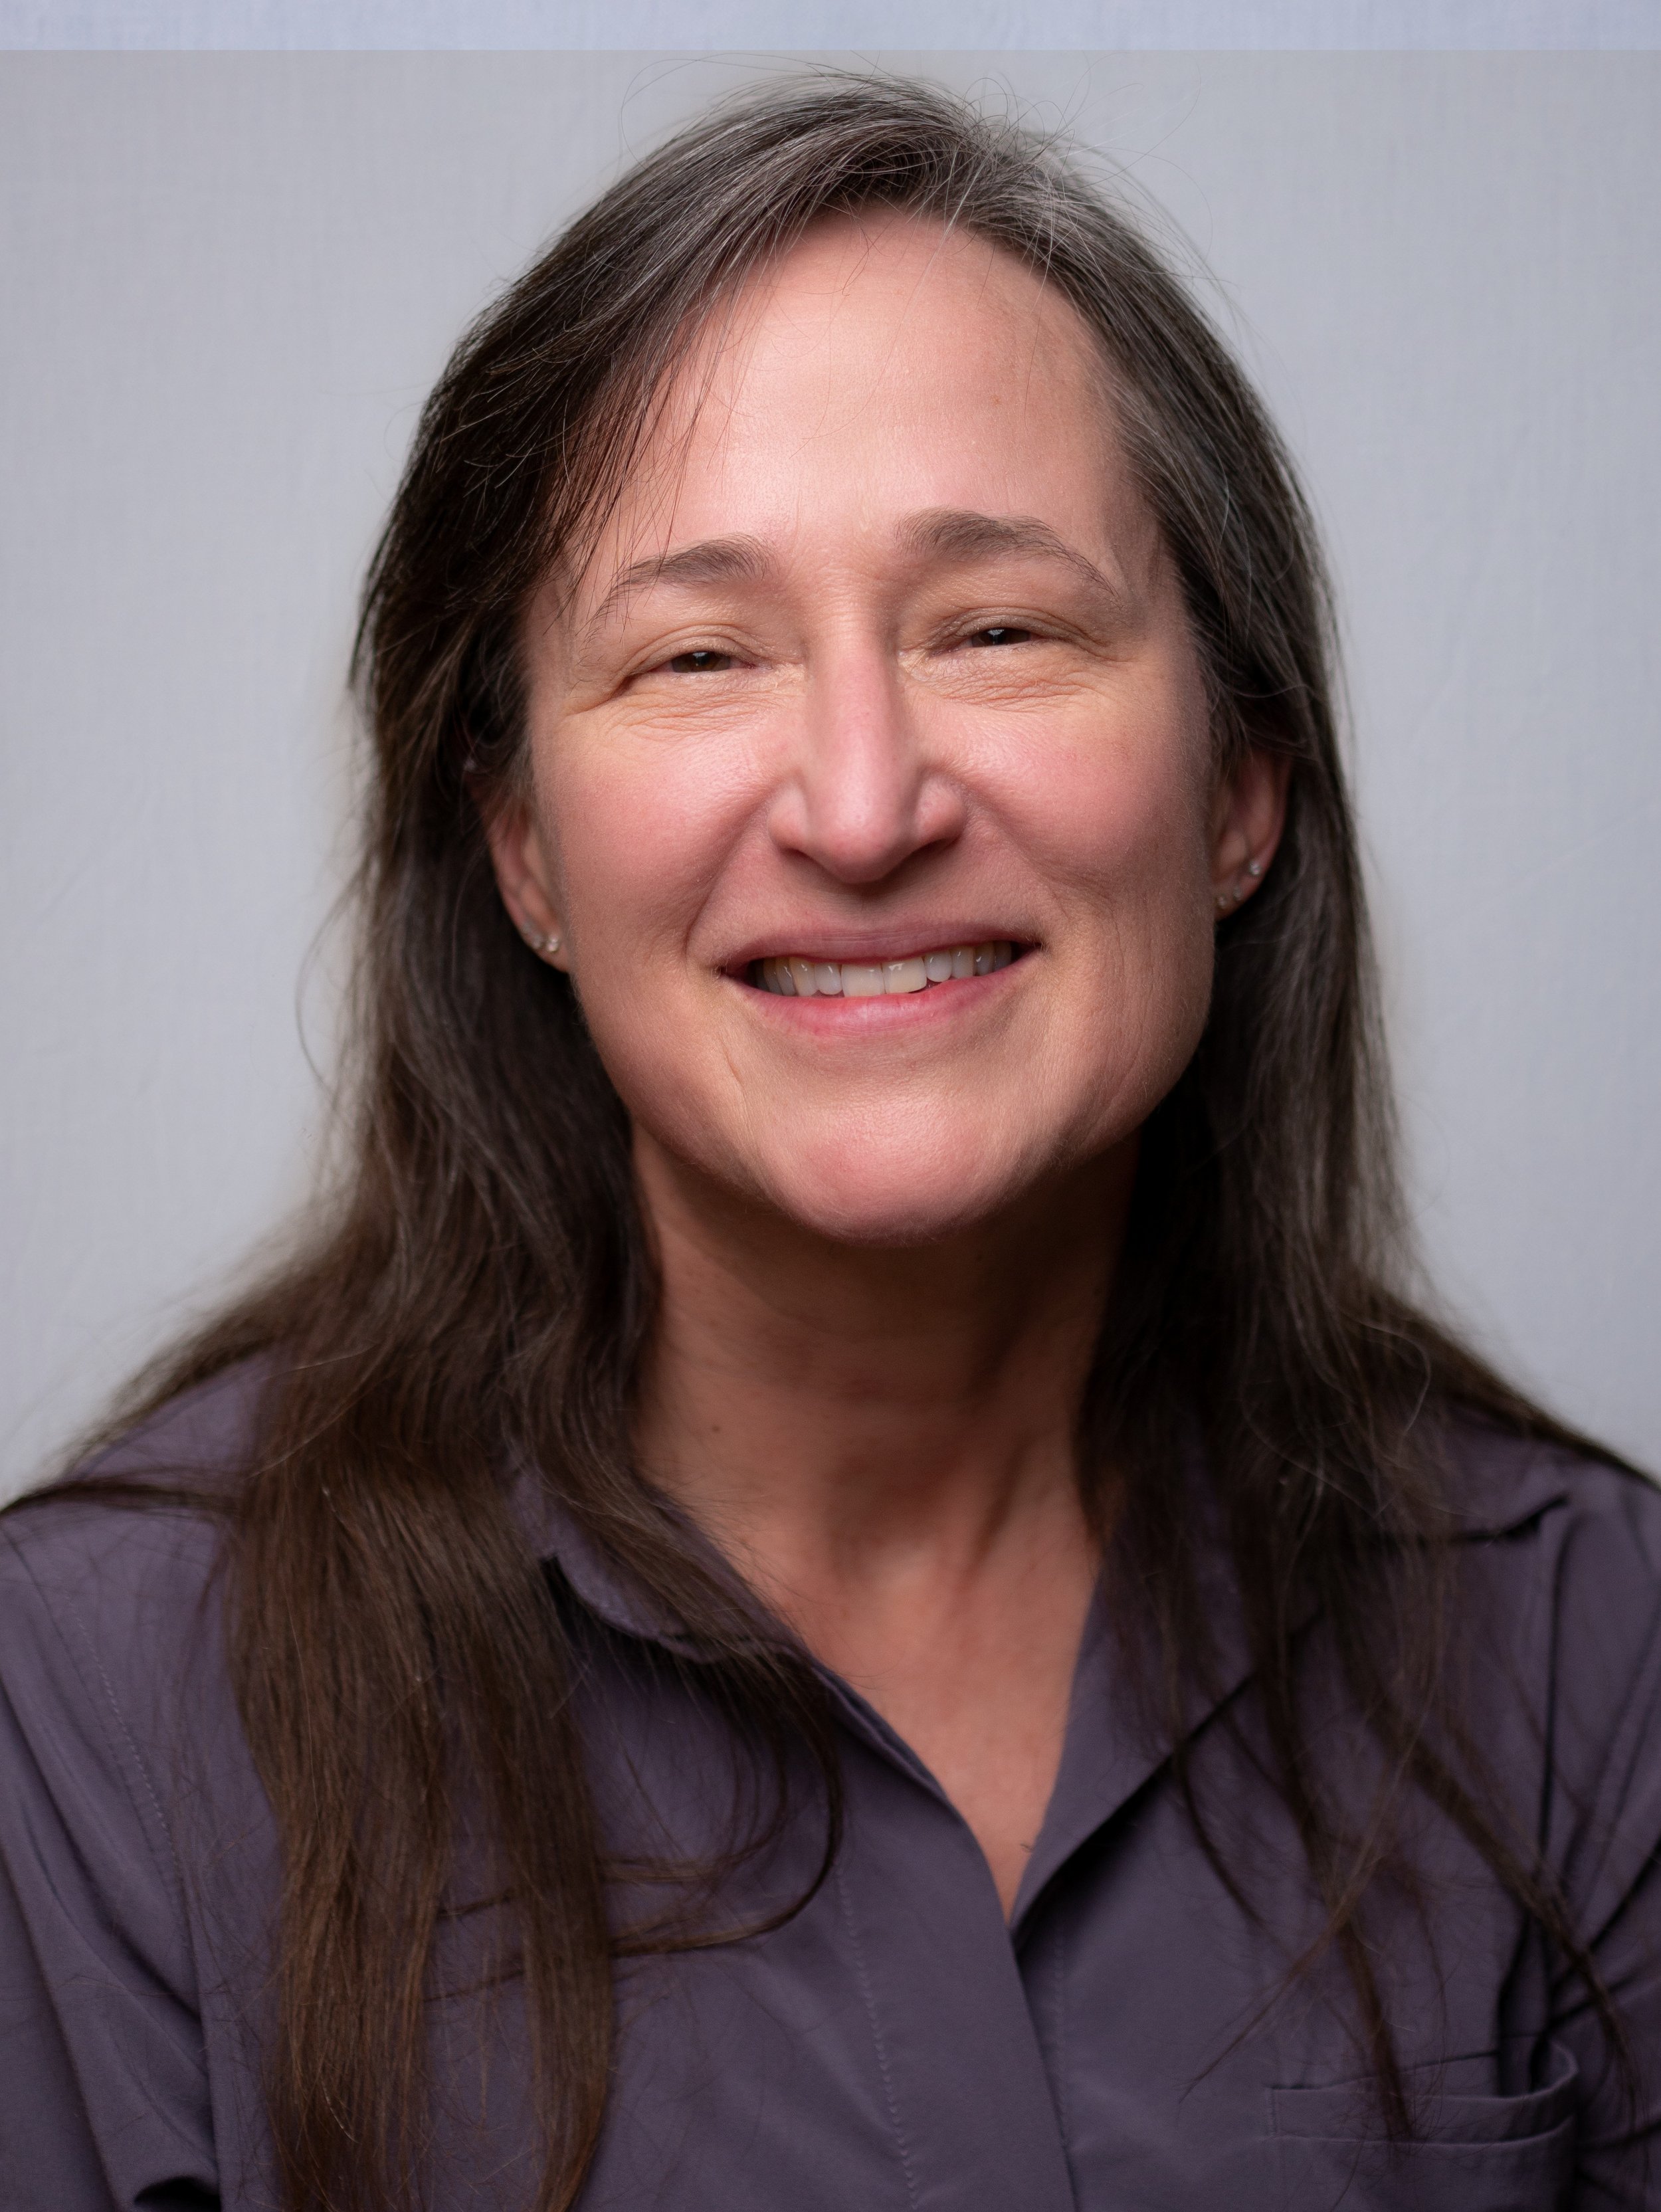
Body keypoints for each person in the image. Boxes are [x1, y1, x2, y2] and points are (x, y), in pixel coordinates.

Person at [1, 73, 1656, 2212]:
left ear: (1238, 783)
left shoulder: (1587, 1656)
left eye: (998, 629)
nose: (863, 805)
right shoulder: (95, 1710)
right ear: (523, 853)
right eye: (698, 656)